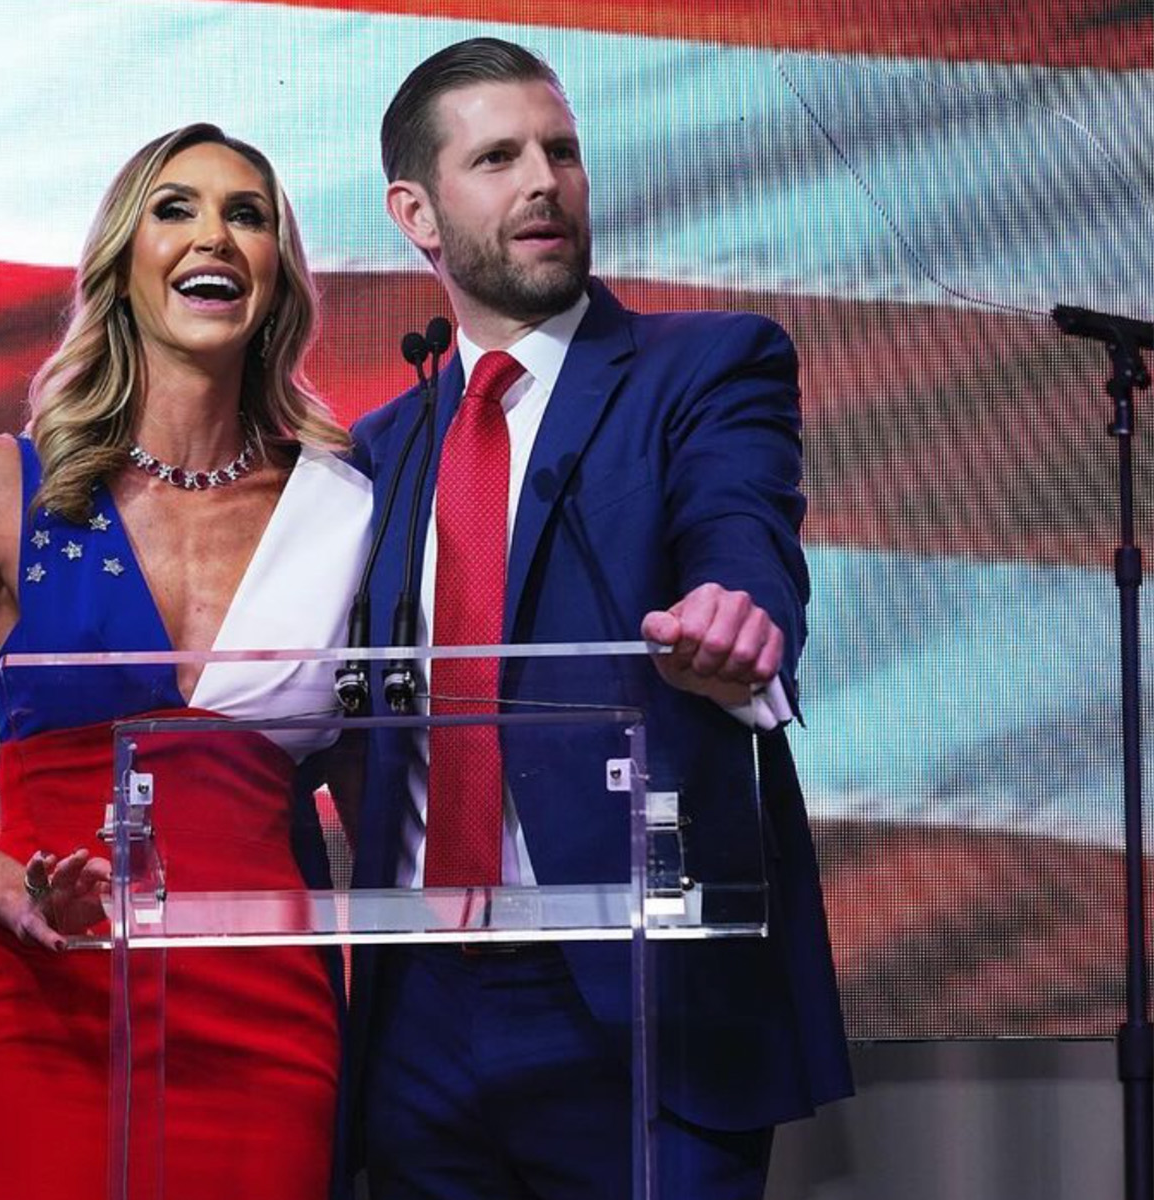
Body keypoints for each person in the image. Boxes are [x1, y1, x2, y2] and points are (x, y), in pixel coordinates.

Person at [345, 38, 853, 1199]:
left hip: (639, 989)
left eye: (562, 152)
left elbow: (744, 535)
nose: (545, 181)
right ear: (417, 214)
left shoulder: (707, 368)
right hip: (420, 1011)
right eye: (500, 157)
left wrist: (741, 620)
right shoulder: (378, 455)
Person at [0, 123, 371, 1200]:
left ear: (277, 276)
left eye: (247, 213)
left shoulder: (343, 506)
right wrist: (8, 890)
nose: (212, 234)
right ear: (122, 260)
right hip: (51, 993)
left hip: (268, 1006)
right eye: (174, 208)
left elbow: (373, 783)